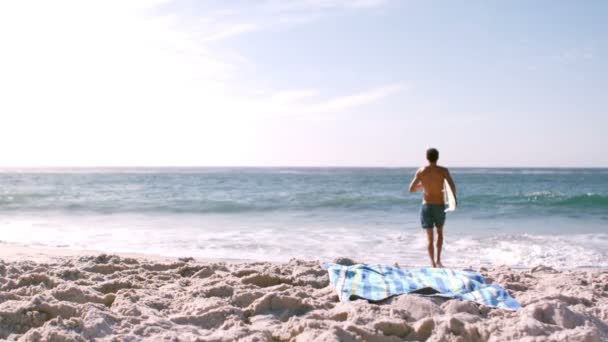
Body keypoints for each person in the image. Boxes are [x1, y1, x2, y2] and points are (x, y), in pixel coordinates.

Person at [409, 148, 457, 268]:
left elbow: (411, 189)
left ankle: (432, 263)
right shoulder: (443, 171)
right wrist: (454, 200)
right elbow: (452, 187)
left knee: (429, 237)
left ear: (427, 157)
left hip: (426, 206)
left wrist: (423, 185)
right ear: (438, 157)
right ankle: (438, 260)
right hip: (439, 205)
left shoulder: (421, 171)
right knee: (439, 233)